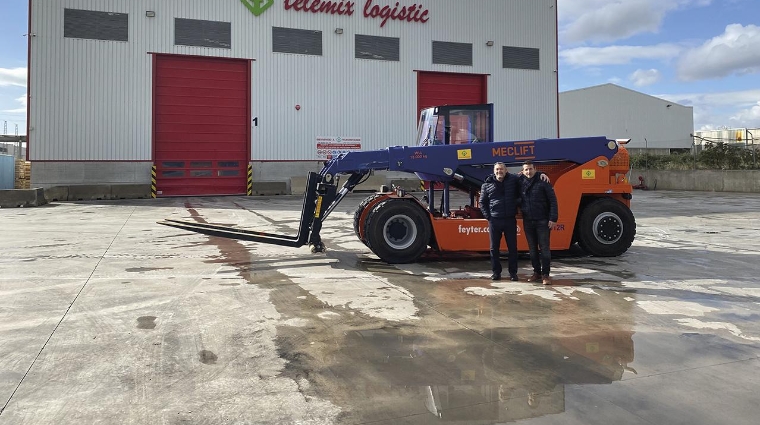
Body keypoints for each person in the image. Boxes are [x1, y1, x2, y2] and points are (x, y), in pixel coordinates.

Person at [479, 162, 522, 281]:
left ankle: (513, 273)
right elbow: (482, 203)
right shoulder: (487, 185)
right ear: (494, 171)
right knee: (494, 249)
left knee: (512, 248)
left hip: (510, 219)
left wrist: (542, 174)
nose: (499, 171)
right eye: (497, 169)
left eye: (501, 169)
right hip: (494, 220)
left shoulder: (513, 180)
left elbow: (527, 175)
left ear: (506, 170)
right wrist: (489, 217)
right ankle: (496, 273)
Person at [520, 160, 558, 285]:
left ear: (535, 169)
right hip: (528, 221)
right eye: (526, 169)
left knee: (545, 248)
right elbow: (507, 177)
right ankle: (536, 272)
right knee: (532, 249)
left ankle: (545, 275)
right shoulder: (520, 181)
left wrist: (553, 218)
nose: (528, 171)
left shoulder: (543, 181)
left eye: (530, 169)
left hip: (543, 221)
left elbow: (553, 200)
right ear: (523, 170)